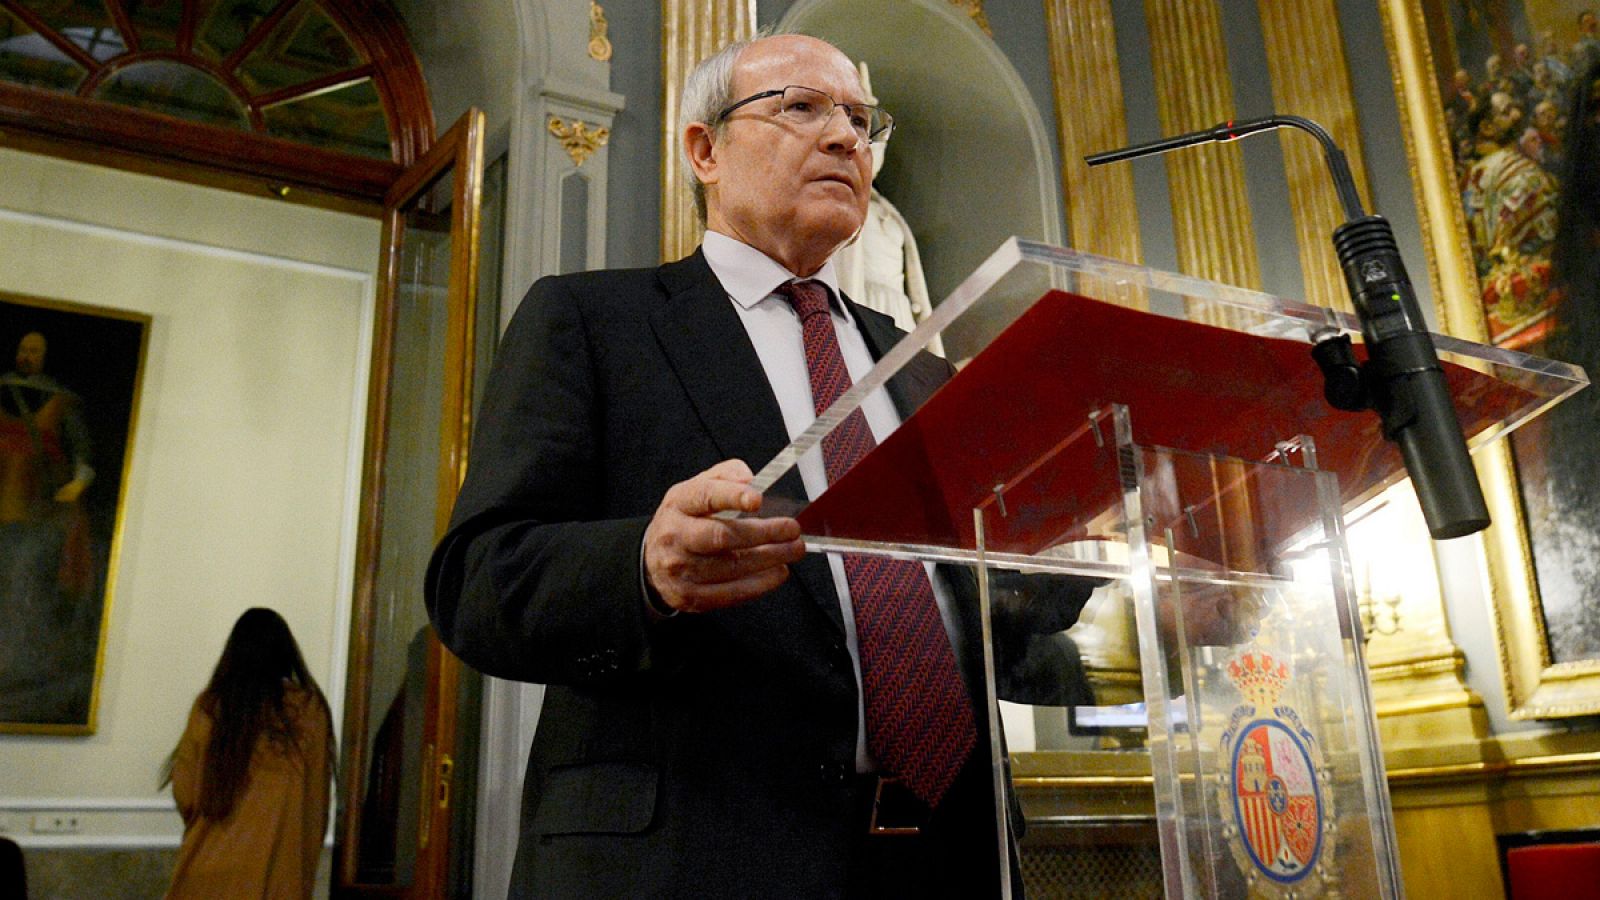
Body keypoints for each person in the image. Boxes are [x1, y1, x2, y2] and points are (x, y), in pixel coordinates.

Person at [427, 31, 1091, 898]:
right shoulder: (593, 323)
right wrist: (643, 567)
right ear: (705, 149)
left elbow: (973, 623)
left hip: (945, 857)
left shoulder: (922, 369)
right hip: (696, 859)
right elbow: (478, 581)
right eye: (802, 107)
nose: (846, 137)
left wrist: (1093, 565)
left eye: (860, 120)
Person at [163, 608, 333, 900]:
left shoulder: (211, 707)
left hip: (204, 874)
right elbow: (316, 808)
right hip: (278, 880)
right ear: (286, 653)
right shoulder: (309, 711)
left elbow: (185, 792)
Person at [0, 332, 95, 697]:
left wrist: (76, 484)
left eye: (34, 350)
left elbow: (83, 454)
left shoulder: (61, 401)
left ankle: (20, 665)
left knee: (25, 582)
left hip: (39, 510)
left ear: (46, 356)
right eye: (23, 349)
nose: (26, 356)